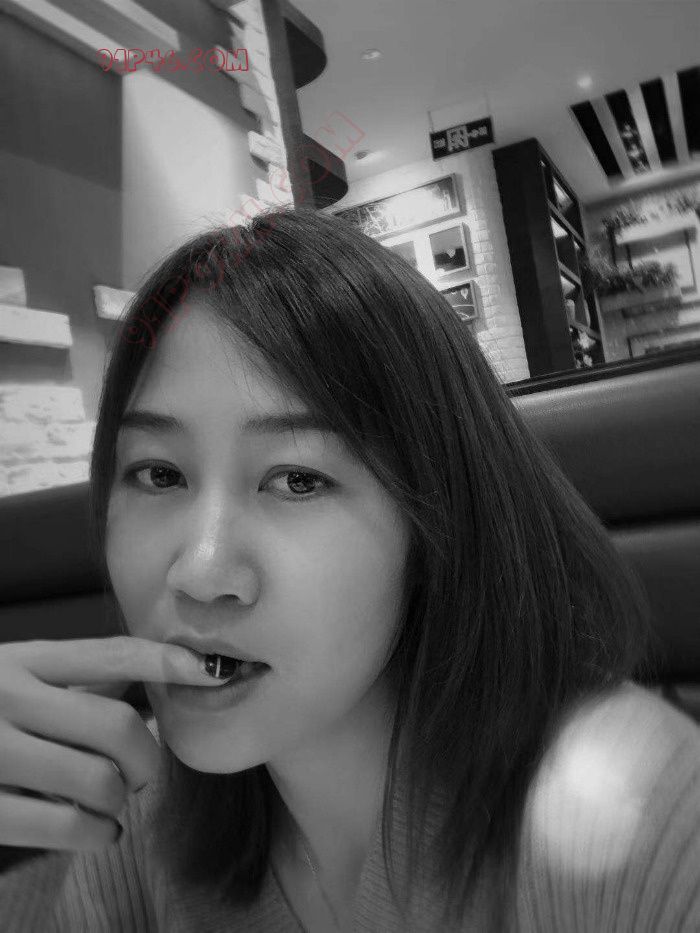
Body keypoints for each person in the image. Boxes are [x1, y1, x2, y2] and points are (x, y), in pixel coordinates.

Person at [1, 207, 699, 932]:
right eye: (159, 474)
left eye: (297, 480)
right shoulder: (132, 807)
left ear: (434, 524)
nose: (201, 574)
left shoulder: (638, 815)